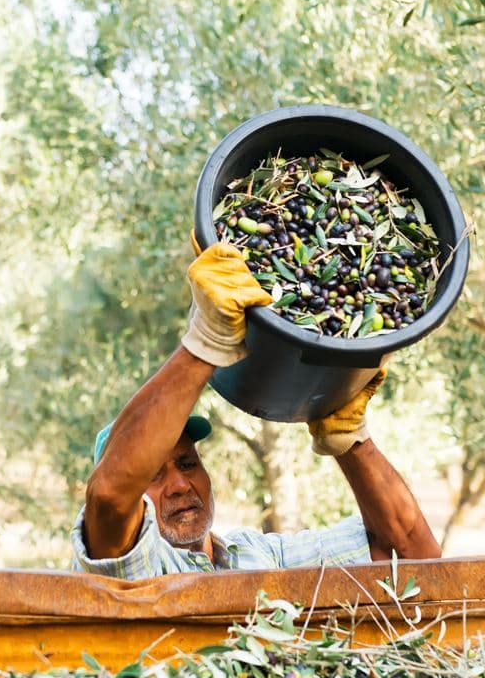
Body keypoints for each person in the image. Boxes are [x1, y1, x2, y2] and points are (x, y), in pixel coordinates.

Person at [70, 241, 442, 579]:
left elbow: (414, 558)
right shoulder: (125, 571)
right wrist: (206, 342)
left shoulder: (260, 557)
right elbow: (109, 496)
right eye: (152, 476)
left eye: (187, 463)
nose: (181, 486)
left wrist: (350, 437)